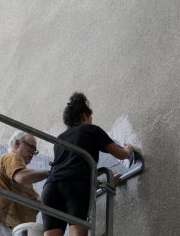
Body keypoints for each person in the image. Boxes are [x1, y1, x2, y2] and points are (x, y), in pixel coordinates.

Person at [40, 93, 134, 236]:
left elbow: (70, 168)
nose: (91, 121)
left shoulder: (60, 139)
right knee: (77, 231)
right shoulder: (92, 130)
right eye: (90, 118)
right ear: (85, 116)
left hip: (50, 187)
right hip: (74, 185)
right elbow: (119, 154)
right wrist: (128, 150)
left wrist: (107, 182)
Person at [0, 131, 50, 236]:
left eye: (35, 151)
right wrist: (50, 173)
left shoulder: (25, 182)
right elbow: (21, 177)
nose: (32, 153)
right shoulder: (11, 157)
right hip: (3, 222)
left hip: (15, 227)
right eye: (31, 148)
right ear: (17, 144)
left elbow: (38, 201)